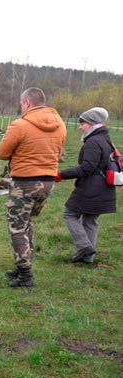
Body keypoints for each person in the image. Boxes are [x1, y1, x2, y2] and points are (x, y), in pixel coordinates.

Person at [0, 87, 66, 288]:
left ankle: (25, 274)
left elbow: (1, 153)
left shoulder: (20, 125)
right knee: (27, 223)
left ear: (27, 102)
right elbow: (59, 150)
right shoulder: (60, 124)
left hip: (24, 182)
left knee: (17, 227)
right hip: (48, 182)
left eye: (21, 104)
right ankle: (22, 264)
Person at [56, 107, 117, 264]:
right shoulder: (105, 138)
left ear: (92, 124)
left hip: (92, 187)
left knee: (69, 214)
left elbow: (87, 167)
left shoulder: (93, 142)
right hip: (104, 187)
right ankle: (88, 258)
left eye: (82, 123)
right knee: (90, 220)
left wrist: (61, 175)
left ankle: (84, 247)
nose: (80, 126)